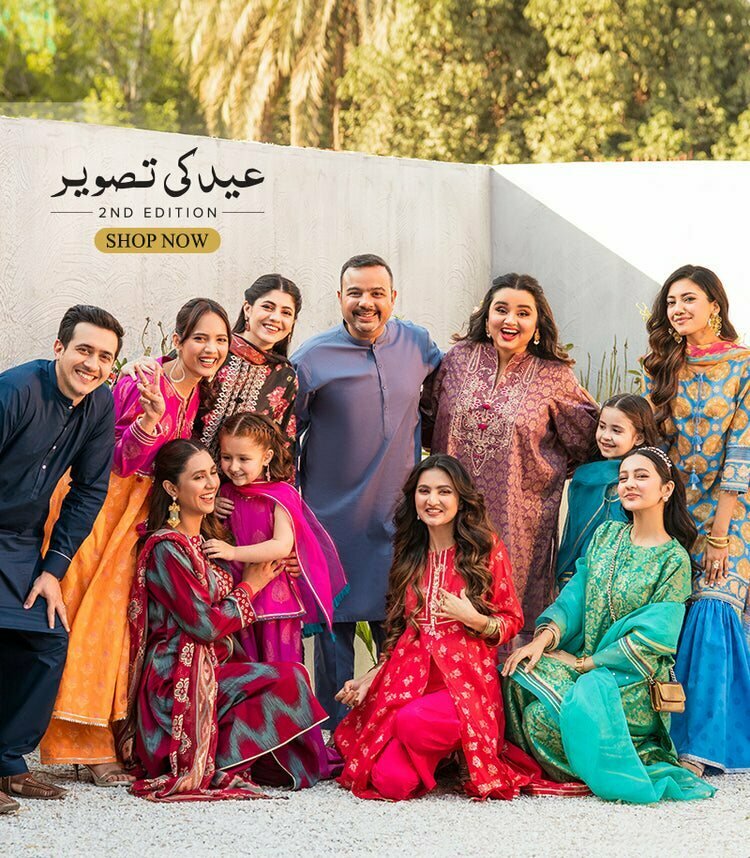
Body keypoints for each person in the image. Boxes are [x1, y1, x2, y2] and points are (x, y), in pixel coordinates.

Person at [39, 299, 231, 785]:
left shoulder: (196, 393)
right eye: (200, 338)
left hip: (139, 515)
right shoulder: (142, 380)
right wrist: (149, 424)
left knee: (122, 625)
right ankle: (84, 744)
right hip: (101, 508)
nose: (210, 348)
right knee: (94, 621)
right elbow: (115, 458)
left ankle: (109, 737)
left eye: (220, 340)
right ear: (178, 340)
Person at [334, 454, 574, 801]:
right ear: (414, 500)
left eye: (444, 491)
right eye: (424, 491)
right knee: (389, 782)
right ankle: (441, 755)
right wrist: (370, 678)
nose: (433, 500)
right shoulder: (409, 554)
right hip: (406, 681)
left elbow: (511, 621)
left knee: (411, 722)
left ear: (461, 500)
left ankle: (455, 746)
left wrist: (472, 618)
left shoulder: (484, 550)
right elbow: (401, 630)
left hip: (463, 686)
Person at [502, 448, 716, 803]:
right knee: (517, 672)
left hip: (630, 683)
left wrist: (585, 664)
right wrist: (543, 640)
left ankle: (616, 755)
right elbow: (576, 596)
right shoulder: (606, 535)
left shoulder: (673, 559)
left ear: (666, 490)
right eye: (623, 477)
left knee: (541, 718)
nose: (629, 484)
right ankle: (589, 750)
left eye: (641, 476)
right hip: (585, 669)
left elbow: (652, 640)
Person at [125, 439, 327, 801]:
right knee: (287, 679)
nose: (211, 484)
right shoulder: (167, 548)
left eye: (212, 473)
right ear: (171, 489)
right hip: (175, 682)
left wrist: (287, 565)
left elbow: (257, 551)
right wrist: (251, 586)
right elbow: (206, 625)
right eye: (198, 477)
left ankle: (237, 761)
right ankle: (214, 761)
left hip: (211, 668)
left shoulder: (208, 539)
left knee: (291, 677)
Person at [292, 253, 442, 728]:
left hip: (398, 523)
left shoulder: (418, 344)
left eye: (377, 293)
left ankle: (390, 734)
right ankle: (334, 738)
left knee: (397, 637)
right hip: (330, 526)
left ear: (393, 298)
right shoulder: (310, 359)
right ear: (340, 298)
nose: (366, 303)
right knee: (333, 642)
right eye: (355, 293)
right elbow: (283, 435)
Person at [0, 305, 122, 814]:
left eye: (104, 357)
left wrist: (53, 569)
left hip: (22, 543)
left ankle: (7, 762)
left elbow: (89, 490)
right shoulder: (15, 391)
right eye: (84, 350)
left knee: (46, 640)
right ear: (59, 348)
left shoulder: (99, 405)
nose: (92, 364)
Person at [429, 273, 597, 641]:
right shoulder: (457, 360)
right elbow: (427, 421)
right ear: (487, 316)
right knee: (445, 609)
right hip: (450, 515)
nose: (510, 320)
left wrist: (543, 476)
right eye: (501, 309)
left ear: (537, 324)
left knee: (504, 616)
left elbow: (590, 440)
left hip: (519, 523)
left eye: (523, 313)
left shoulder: (555, 377)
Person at [643, 264, 750, 776]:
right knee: (674, 612)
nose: (678, 309)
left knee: (713, 607)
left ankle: (703, 745)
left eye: (689, 299)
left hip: (733, 515)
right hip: (675, 513)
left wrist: (719, 535)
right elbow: (655, 447)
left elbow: (741, 453)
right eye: (671, 302)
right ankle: (660, 735)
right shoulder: (664, 367)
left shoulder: (744, 365)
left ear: (715, 305)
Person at [202, 411, 348, 663]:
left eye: (243, 458)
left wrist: (232, 552)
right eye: (227, 457)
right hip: (238, 599)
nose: (233, 467)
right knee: (245, 670)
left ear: (266, 457)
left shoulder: (281, 494)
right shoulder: (224, 493)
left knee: (280, 671)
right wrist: (211, 507)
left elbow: (281, 545)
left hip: (275, 602)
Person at [557, 393, 660, 587]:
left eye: (616, 430)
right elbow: (573, 535)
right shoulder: (584, 478)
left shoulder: (646, 482)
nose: (605, 436)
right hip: (583, 572)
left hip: (627, 575)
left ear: (638, 437)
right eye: (602, 426)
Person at [201, 274, 302, 459]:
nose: (275, 317)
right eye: (267, 307)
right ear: (247, 309)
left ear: (292, 323)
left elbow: (283, 445)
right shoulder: (213, 351)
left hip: (240, 476)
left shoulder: (284, 376)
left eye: (286, 313)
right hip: (183, 472)